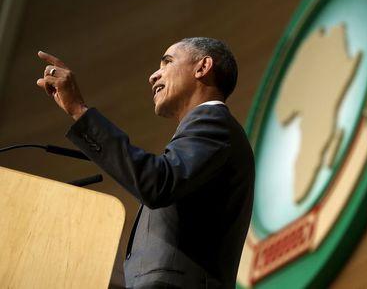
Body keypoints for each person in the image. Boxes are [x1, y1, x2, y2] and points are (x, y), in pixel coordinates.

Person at [36, 37, 255, 288]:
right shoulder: (206, 130)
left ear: (202, 67)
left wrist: (79, 111)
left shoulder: (214, 122)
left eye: (167, 62)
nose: (153, 76)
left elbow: (156, 182)